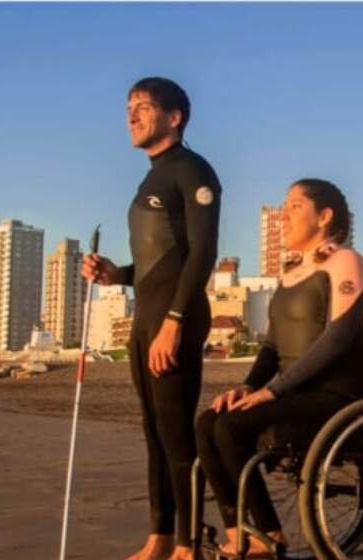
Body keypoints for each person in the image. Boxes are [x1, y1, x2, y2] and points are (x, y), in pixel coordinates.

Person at [82, 77, 221, 560]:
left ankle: (189, 542)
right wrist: (113, 273)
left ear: (174, 117)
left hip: (174, 319)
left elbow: (202, 253)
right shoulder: (150, 177)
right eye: (128, 107)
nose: (132, 115)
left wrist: (175, 321)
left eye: (143, 106)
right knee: (153, 429)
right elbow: (154, 262)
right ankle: (160, 537)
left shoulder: (193, 170)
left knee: (177, 431)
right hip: (147, 317)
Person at [195, 178, 363, 556]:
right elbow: (273, 346)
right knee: (209, 420)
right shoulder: (290, 273)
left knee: (231, 426)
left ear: (324, 216)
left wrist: (273, 391)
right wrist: (248, 386)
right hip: (292, 391)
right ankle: (238, 531)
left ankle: (269, 534)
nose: (282, 215)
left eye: (294, 206)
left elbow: (337, 339)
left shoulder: (346, 262)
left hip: (332, 397)